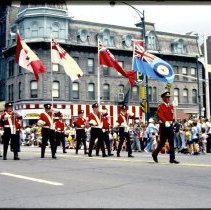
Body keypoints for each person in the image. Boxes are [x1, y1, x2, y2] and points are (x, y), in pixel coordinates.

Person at [152, 91, 179, 164]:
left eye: (168, 97)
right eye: (166, 97)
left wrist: (171, 122)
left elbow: (171, 116)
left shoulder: (171, 106)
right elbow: (160, 115)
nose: (168, 98)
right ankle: (154, 154)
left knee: (171, 141)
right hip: (164, 125)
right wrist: (165, 121)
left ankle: (172, 159)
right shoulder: (161, 106)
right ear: (163, 98)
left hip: (169, 125)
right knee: (162, 143)